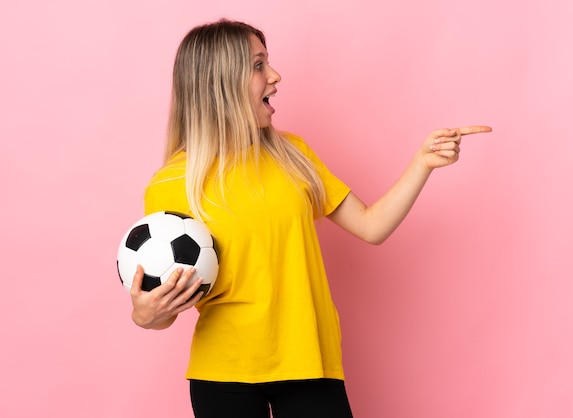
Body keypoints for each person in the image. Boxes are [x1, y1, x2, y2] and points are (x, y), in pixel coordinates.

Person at [128, 19, 492, 418]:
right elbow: (163, 303)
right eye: (258, 65)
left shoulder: (292, 154)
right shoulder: (172, 183)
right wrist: (146, 317)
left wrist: (423, 163)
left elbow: (371, 226)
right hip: (223, 375)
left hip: (311, 366)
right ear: (221, 82)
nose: (275, 75)